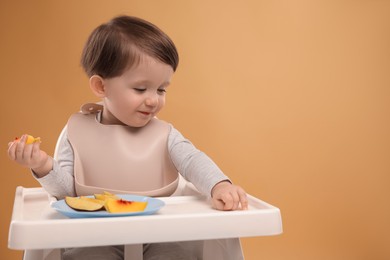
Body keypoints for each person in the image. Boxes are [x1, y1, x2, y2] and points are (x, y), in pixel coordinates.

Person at [8, 15, 247, 259]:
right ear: (102, 87)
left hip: (160, 234)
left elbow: (193, 161)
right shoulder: (76, 132)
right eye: (140, 89)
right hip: (95, 236)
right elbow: (68, 193)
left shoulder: (164, 134)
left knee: (183, 252)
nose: (153, 99)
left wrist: (219, 185)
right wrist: (42, 165)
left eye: (161, 89)